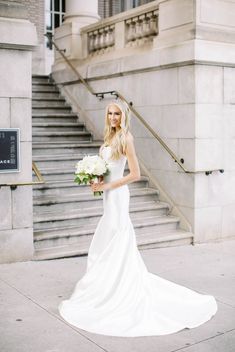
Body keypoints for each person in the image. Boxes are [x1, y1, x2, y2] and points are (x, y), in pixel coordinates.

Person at [58, 99, 217, 337]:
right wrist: (96, 180)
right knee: (109, 237)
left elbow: (135, 174)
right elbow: (106, 168)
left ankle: (119, 288)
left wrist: (109, 185)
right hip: (108, 195)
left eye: (117, 114)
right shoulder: (109, 137)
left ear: (124, 116)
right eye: (110, 113)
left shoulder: (126, 139)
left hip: (119, 195)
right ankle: (107, 285)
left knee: (116, 237)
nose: (113, 117)